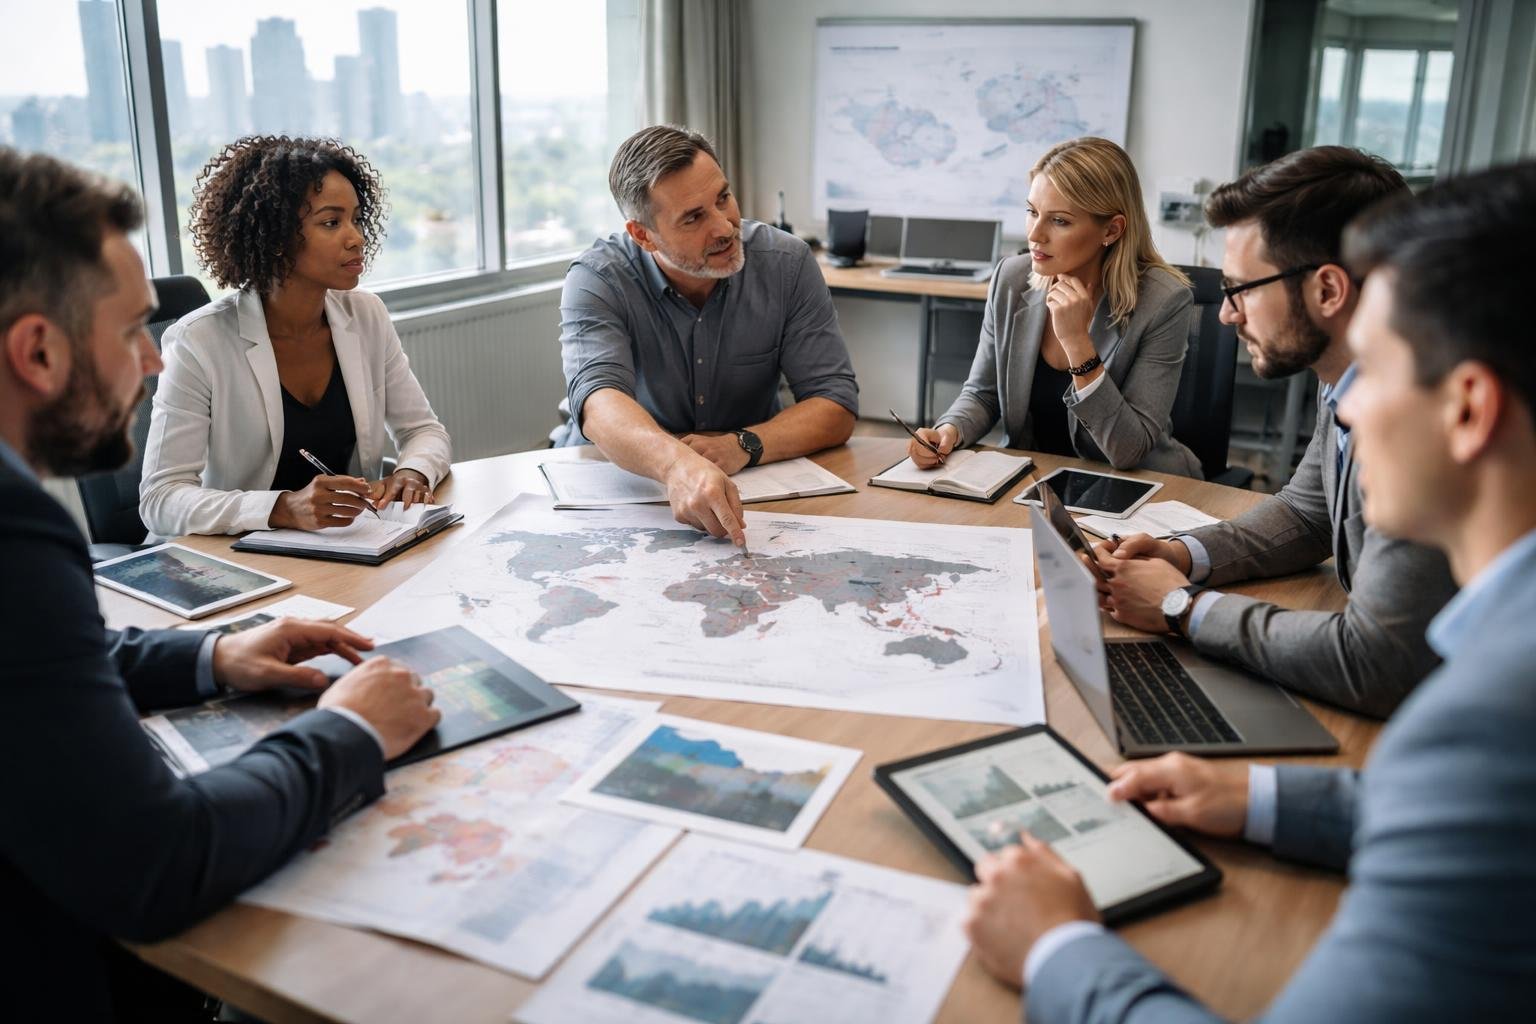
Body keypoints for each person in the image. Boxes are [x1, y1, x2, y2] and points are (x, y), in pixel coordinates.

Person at [964, 161, 1536, 1022]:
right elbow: (1484, 820)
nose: (1346, 410)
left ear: (1467, 409)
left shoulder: (1483, 721)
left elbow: (1447, 766)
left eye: (1375, 371)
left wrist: (1057, 948)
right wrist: (1261, 797)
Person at [0, 147, 441, 1020]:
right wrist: (350, 733)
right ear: (39, 351)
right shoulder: (17, 533)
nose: (152, 362)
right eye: (130, 332)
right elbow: (158, 859)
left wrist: (210, 657)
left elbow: (38, 668)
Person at [1096, 147, 1456, 718]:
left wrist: (1179, 607)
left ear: (1329, 291)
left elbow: (1380, 662)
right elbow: (1308, 514)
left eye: (1242, 288)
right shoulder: (1344, 374)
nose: (1226, 314)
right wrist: (1181, 553)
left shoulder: (1426, 423)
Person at [556, 124, 859, 545]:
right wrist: (676, 464)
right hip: (617, 488)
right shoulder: (597, 279)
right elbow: (599, 401)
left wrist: (744, 444)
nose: (724, 227)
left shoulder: (786, 263)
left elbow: (835, 402)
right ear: (643, 235)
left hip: (749, 486)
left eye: (723, 198)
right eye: (694, 217)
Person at [139, 135, 452, 538]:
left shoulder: (366, 315)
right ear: (275, 237)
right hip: (235, 557)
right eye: (330, 222)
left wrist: (412, 471)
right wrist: (284, 508)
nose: (356, 237)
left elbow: (424, 431)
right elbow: (160, 499)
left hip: (345, 549)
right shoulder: (198, 341)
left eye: (356, 219)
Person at [909, 137, 1200, 477]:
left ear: (1112, 228)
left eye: (1059, 220)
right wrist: (950, 431)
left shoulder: (1163, 302)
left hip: (1138, 487)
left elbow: (1128, 450)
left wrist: (1078, 345)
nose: (1034, 234)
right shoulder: (1011, 278)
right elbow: (982, 393)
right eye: (1032, 212)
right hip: (1033, 481)